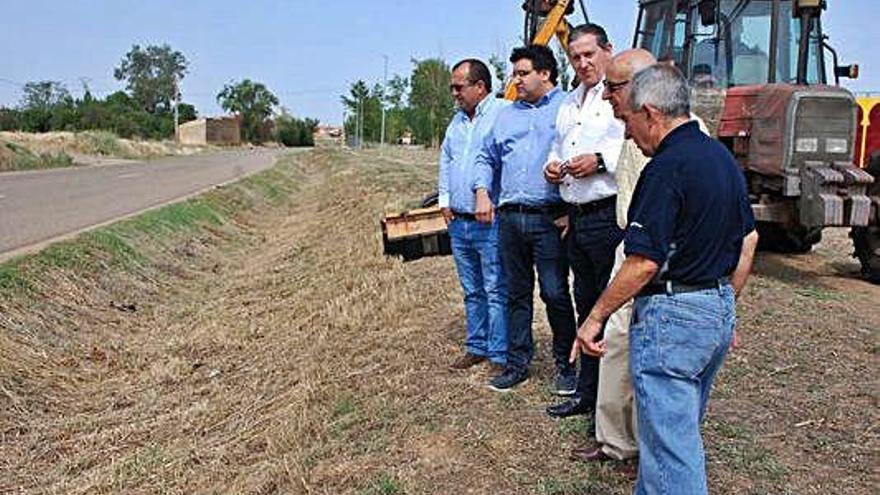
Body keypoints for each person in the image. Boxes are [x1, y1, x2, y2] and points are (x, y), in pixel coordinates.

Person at [571, 64, 759, 494]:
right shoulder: (720, 158)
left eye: (629, 120)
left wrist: (595, 317)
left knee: (673, 454)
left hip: (671, 318)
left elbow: (643, 263)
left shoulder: (666, 167)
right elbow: (748, 240)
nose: (628, 132)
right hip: (713, 309)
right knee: (670, 437)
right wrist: (723, 305)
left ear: (651, 113)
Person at [473, 44, 575, 393]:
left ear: (544, 73)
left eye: (522, 73)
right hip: (510, 218)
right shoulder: (506, 115)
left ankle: (567, 364)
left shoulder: (568, 107)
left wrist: (569, 210)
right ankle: (518, 363)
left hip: (549, 218)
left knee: (555, 292)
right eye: (514, 73)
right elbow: (486, 157)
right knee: (516, 293)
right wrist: (482, 191)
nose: (515, 80)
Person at [542, 23, 625, 414]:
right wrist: (552, 168)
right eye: (575, 57)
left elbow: (636, 145)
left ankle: (611, 399)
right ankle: (587, 393)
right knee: (586, 303)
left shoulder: (623, 95)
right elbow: (557, 147)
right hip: (577, 217)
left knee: (611, 309)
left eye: (590, 54)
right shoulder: (570, 103)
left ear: (607, 50)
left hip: (609, 213)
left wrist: (600, 161)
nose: (583, 63)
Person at [438, 59, 510, 371]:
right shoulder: (455, 123)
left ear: (480, 87)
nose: (454, 93)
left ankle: (499, 353)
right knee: (472, 290)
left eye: (459, 87)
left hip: (489, 221)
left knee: (495, 288)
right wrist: (444, 199)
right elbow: (446, 160)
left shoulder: (501, 114)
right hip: (460, 221)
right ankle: (476, 346)